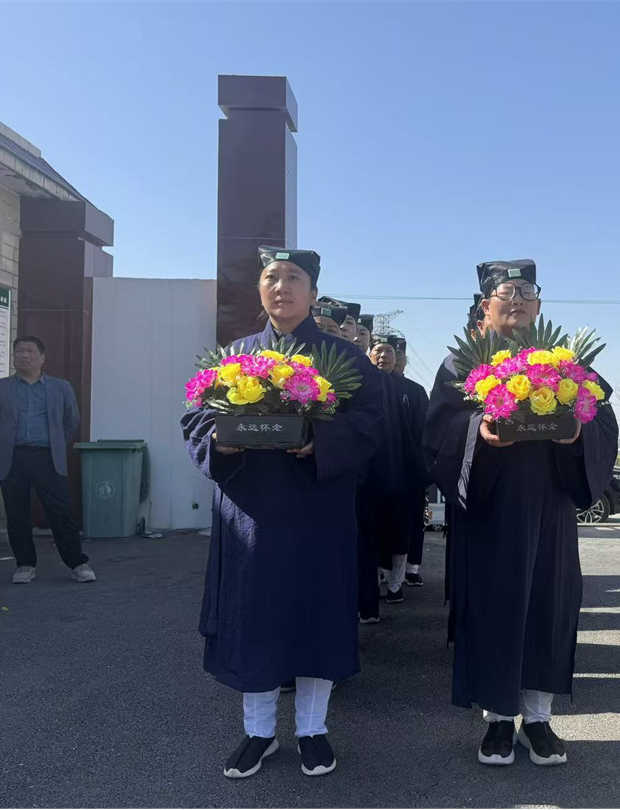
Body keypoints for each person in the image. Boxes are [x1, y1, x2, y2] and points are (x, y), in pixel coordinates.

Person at [182, 246, 384, 779]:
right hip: (251, 513)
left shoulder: (345, 359)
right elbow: (195, 419)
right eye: (271, 277)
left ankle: (313, 730)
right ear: (260, 290)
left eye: (294, 278)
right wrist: (220, 444)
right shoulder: (235, 357)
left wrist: (320, 438)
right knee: (256, 617)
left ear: (313, 293)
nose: (281, 286)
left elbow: (371, 424)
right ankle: (259, 732)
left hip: (319, 510)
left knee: (315, 615)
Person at [423, 259, 618, 767]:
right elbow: (439, 431)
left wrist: (579, 432)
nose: (514, 299)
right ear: (485, 305)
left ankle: (538, 717)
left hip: (550, 508)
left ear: (539, 305)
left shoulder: (566, 362)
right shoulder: (461, 363)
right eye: (503, 291)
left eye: (525, 291)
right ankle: (497, 721)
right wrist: (478, 431)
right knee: (494, 607)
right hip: (490, 510)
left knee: (548, 607)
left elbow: (602, 419)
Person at [0, 336, 95, 585]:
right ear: (13, 357)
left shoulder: (61, 387)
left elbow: (70, 420)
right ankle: (25, 565)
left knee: (61, 513)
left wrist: (53, 443)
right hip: (12, 458)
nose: (24, 355)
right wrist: (3, 444)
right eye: (19, 351)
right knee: (17, 515)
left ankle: (77, 563)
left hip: (47, 457)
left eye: (30, 351)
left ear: (42, 358)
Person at [367, 335, 416, 603]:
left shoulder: (411, 390)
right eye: (378, 350)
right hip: (367, 475)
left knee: (399, 530)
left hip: (400, 473)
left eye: (389, 351)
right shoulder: (360, 384)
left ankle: (396, 582)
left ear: (398, 359)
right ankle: (371, 580)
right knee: (370, 530)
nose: (383, 355)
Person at [391, 336, 430, 587]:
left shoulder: (415, 391)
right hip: (380, 469)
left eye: (399, 357)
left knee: (412, 521)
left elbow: (424, 432)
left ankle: (411, 568)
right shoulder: (373, 386)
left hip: (410, 469)